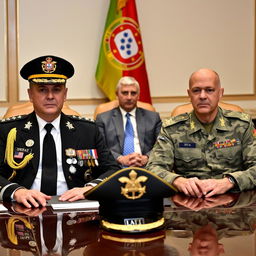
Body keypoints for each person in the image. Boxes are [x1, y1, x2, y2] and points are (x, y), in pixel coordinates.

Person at [0, 55, 120, 208]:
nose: (50, 96)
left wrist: (89, 189)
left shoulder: (88, 131)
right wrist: (16, 191)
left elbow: (112, 170)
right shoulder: (9, 130)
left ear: (65, 94)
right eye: (42, 90)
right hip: (25, 209)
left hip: (75, 210)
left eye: (56, 90)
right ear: (30, 94)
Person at [146, 68, 256, 197]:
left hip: (233, 202)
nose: (202, 96)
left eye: (209, 90)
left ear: (220, 93)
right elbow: (153, 168)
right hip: (189, 204)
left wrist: (229, 181)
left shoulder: (241, 125)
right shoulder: (172, 129)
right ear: (189, 94)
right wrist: (177, 181)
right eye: (196, 90)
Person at [95, 76, 162, 167]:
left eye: (133, 93)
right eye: (125, 93)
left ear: (138, 96)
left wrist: (147, 157)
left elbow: (161, 144)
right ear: (117, 95)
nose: (129, 97)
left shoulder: (153, 118)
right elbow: (101, 147)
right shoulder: (103, 119)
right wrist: (120, 158)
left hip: (147, 166)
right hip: (115, 167)